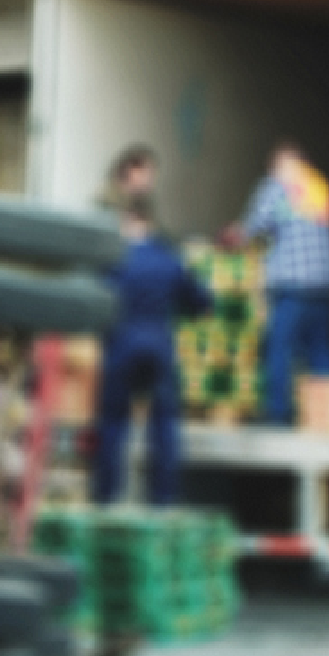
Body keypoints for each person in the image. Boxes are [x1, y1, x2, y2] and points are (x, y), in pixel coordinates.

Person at [95, 149, 213, 506]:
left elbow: (96, 296)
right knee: (164, 424)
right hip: (159, 346)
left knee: (113, 421)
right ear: (149, 222)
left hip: (121, 344)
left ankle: (107, 495)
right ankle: (163, 497)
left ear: (128, 221)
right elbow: (200, 300)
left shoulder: (114, 259)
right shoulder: (168, 257)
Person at [223, 142, 329, 425]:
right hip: (325, 285)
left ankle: (278, 413)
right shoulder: (321, 188)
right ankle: (327, 415)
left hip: (294, 284)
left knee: (279, 347)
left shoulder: (276, 187)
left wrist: (231, 237)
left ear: (278, 165)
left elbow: (253, 228)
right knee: (320, 350)